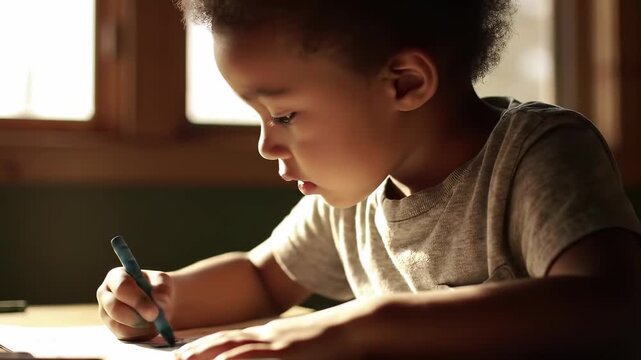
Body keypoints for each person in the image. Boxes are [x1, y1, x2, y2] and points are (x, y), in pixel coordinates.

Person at [96, 1, 641, 358]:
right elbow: (263, 278)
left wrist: (353, 327)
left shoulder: (536, 153)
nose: (266, 145)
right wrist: (166, 299)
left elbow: (611, 304)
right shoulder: (354, 195)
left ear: (403, 83)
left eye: (283, 116)